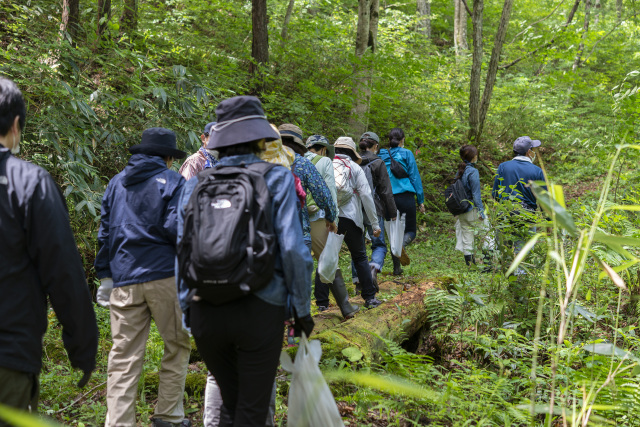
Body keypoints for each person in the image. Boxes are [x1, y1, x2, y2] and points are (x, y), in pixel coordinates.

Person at [177, 96, 313, 426]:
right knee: (251, 410)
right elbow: (294, 250)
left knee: (232, 404)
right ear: (259, 138)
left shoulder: (194, 185)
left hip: (206, 310)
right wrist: (301, 310)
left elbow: (180, 248)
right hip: (260, 307)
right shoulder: (277, 179)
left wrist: (187, 308)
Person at [0, 77, 98, 418]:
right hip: (8, 356)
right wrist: (82, 346)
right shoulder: (29, 183)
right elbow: (63, 272)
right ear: (15, 125)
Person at [95, 127, 192, 427]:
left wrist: (105, 276)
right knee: (176, 346)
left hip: (124, 279)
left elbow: (105, 232)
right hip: (164, 276)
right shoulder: (174, 182)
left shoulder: (116, 183)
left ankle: (119, 422)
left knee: (123, 355)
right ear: (167, 157)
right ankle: (168, 417)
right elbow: (177, 229)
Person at [320, 136, 382, 309]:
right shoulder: (355, 167)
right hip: (351, 218)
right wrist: (375, 225)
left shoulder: (327, 164)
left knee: (326, 256)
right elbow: (366, 196)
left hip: (329, 217)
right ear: (351, 152)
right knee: (360, 256)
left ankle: (322, 302)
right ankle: (369, 298)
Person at [304, 134, 359, 318]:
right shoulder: (325, 161)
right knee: (328, 259)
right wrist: (333, 217)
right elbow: (329, 190)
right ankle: (345, 308)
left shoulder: (294, 160)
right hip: (317, 218)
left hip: (297, 218)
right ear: (324, 149)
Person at [278, 124, 338, 251]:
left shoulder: (263, 162)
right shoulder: (303, 163)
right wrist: (330, 217)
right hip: (298, 232)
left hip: (268, 234)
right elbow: (323, 194)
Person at [351, 131, 397, 293]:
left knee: (357, 247)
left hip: (354, 210)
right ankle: (372, 269)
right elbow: (385, 190)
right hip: (374, 209)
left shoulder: (352, 162)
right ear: (376, 146)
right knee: (379, 245)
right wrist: (392, 212)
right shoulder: (378, 162)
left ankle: (358, 283)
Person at [491, 136, 546, 273]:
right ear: (528, 152)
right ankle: (519, 287)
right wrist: (548, 221)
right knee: (523, 254)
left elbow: (495, 194)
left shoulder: (503, 167)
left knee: (505, 253)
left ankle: (509, 283)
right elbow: (544, 199)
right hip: (526, 216)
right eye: (532, 149)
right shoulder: (537, 171)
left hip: (505, 214)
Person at [378, 128, 425, 276]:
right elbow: (414, 177)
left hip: (387, 198)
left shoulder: (381, 154)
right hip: (405, 197)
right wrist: (421, 200)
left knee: (393, 232)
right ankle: (401, 246)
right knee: (410, 230)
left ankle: (397, 269)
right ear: (402, 140)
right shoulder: (407, 154)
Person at [453, 145, 487, 266]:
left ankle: (470, 266)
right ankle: (488, 265)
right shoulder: (473, 172)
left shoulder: (459, 171)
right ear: (473, 157)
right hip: (472, 210)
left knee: (467, 238)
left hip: (462, 211)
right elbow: (476, 195)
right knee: (486, 235)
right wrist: (481, 212)